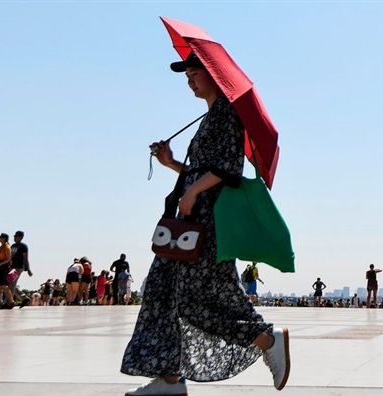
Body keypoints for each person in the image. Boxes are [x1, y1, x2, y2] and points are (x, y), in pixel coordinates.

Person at [121, 52, 290, 396]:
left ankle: (266, 339)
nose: (190, 80)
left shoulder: (227, 114)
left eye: (195, 74)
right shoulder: (211, 116)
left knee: (195, 299)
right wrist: (171, 164)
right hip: (191, 217)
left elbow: (228, 168)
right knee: (163, 291)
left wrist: (192, 193)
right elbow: (202, 170)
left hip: (206, 220)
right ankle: (168, 379)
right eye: (187, 76)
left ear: (215, 77)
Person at [9, 231, 32, 308]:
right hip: (12, 267)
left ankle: (9, 302)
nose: (15, 238)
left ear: (21, 237)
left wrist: (28, 269)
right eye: (14, 236)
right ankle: (24, 298)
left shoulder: (23, 246)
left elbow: (26, 258)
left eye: (16, 236)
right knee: (11, 284)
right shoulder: (13, 246)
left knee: (12, 284)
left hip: (19, 267)